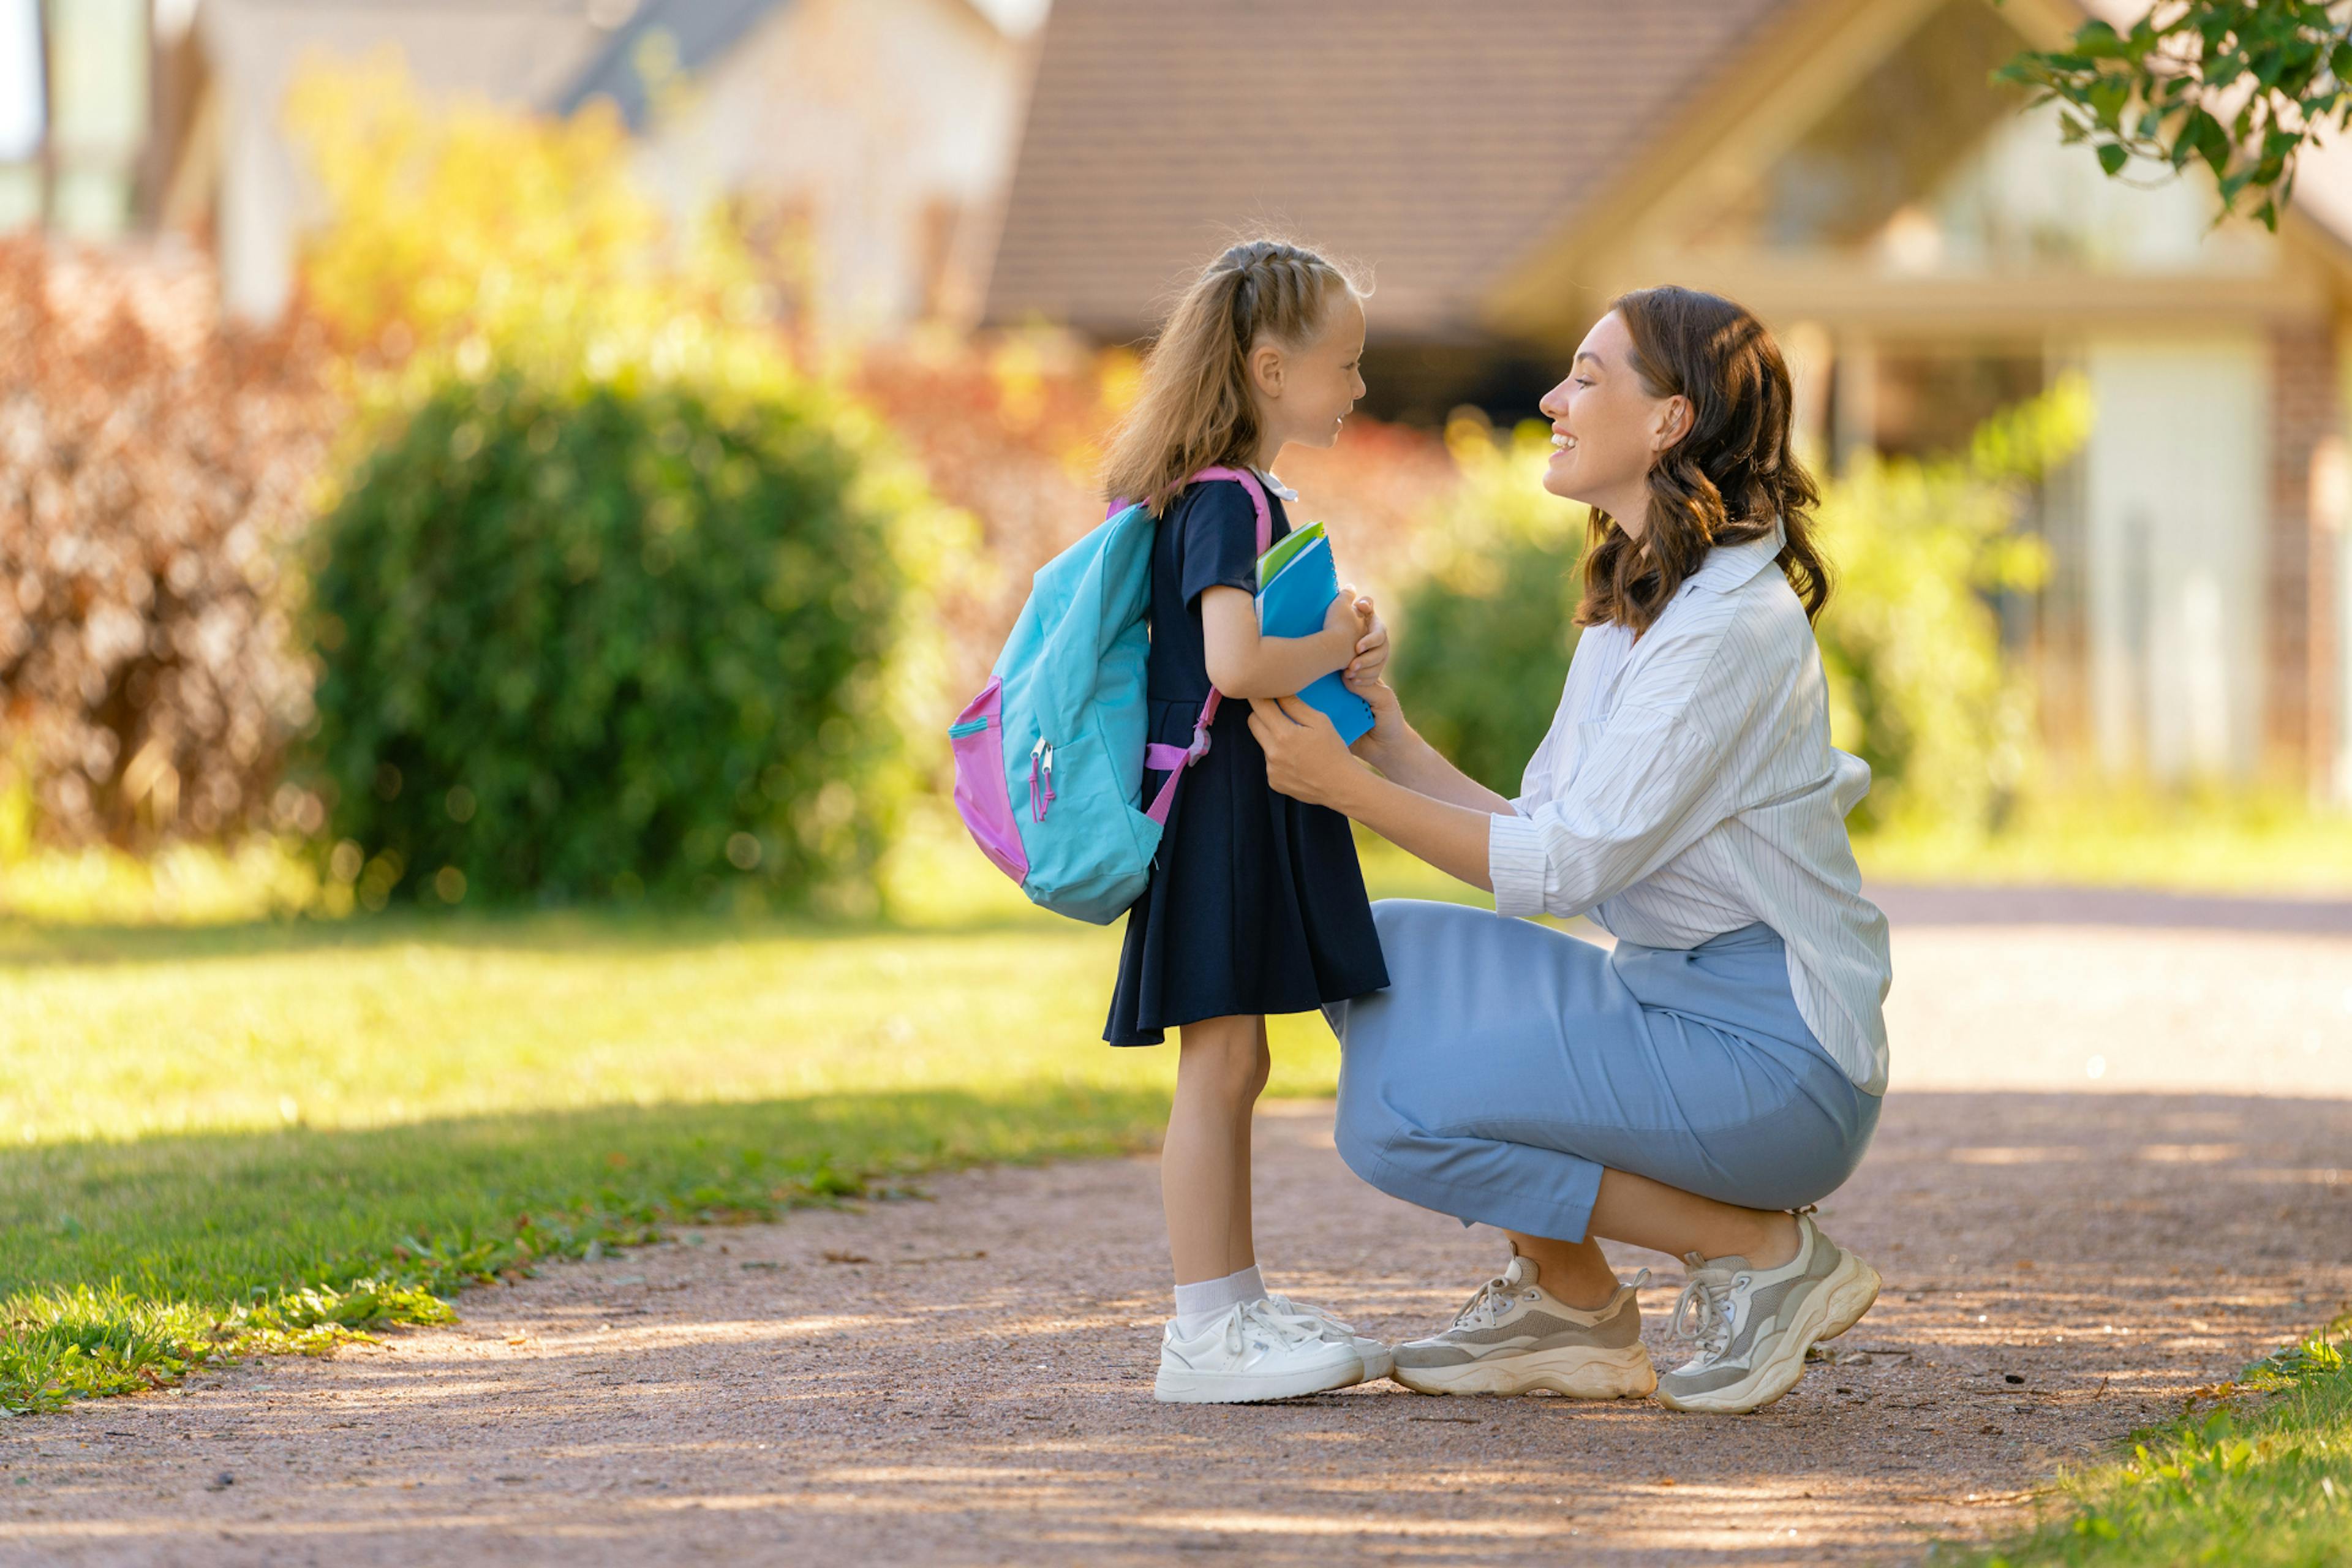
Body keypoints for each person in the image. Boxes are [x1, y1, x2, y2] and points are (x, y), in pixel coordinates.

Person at [1248, 285, 1894, 1415]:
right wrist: (1385, 738)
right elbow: (1544, 829)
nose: (1551, 399)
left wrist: (1346, 790)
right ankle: (1571, 1306)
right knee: (1374, 952)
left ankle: (1761, 1253)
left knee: (1396, 1122)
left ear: (1669, 421)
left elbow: (1564, 873)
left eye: (1587, 379)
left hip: (1777, 1065)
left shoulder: (1726, 630)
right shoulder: (1646, 595)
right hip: (1671, 1004)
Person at [1097, 238, 1396, 1403]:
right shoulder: (1230, 496)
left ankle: (1234, 1303)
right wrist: (1331, 641)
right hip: (1220, 809)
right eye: (1346, 363)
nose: (1360, 384)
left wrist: (1328, 636)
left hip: (1232, 802)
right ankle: (1205, 1328)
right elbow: (1233, 660)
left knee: (1238, 1059)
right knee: (1221, 1064)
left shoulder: (1231, 493)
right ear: (1272, 370)